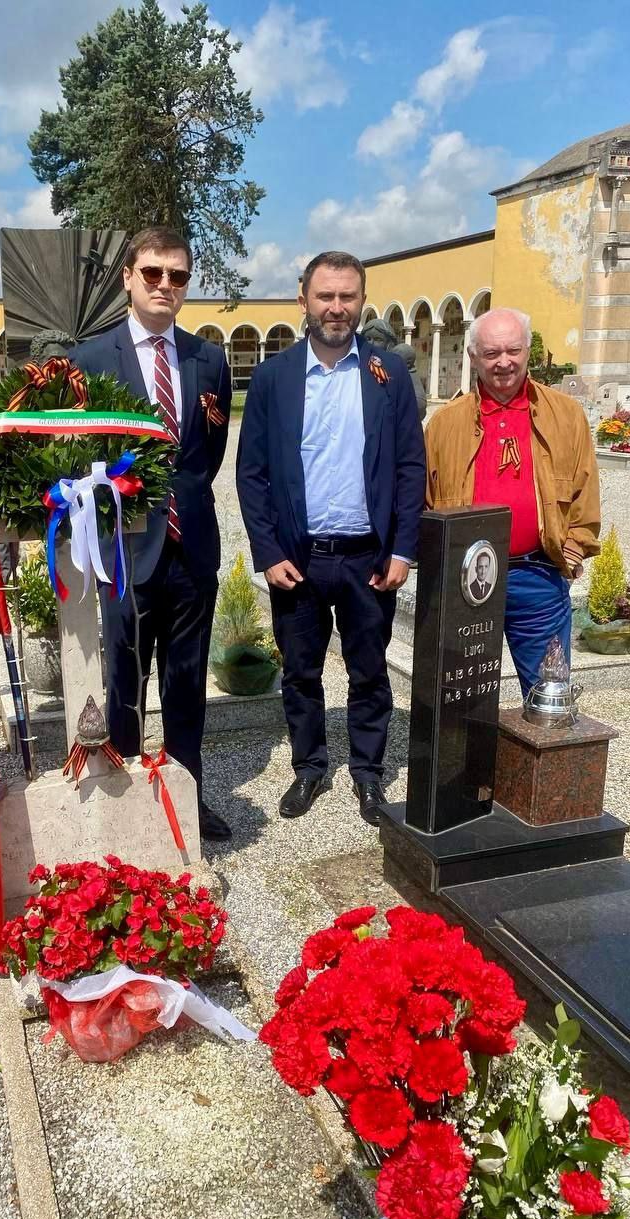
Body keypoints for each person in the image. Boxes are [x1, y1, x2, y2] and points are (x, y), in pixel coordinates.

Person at [237, 251, 426, 826]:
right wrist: (268, 552)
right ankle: (310, 767)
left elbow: (410, 467)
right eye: (326, 296)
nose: (336, 307)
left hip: (368, 558)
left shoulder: (388, 375)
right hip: (300, 559)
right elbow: (252, 474)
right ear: (304, 299)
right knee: (301, 672)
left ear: (361, 300)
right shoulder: (274, 377)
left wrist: (402, 548)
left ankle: (368, 772)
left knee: (370, 671)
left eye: (347, 296)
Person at [72, 227, 232, 842]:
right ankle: (127, 800)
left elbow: (207, 454)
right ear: (128, 278)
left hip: (191, 547)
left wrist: (179, 503)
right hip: (126, 550)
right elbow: (82, 454)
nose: (165, 285)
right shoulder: (92, 359)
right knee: (124, 680)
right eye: (153, 273)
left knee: (186, 683)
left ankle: (186, 798)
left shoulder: (207, 358)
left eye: (178, 275)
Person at [425, 307, 600, 695]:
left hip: (537, 574)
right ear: (473, 357)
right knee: (459, 698)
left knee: (548, 694)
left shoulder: (566, 415)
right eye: (491, 353)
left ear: (527, 351)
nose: (503, 362)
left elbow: (585, 488)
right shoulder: (444, 424)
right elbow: (424, 500)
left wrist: (574, 547)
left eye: (513, 350)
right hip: (464, 581)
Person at [392, 343, 428, 422]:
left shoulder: (416, 396)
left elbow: (419, 406)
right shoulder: (401, 373)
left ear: (407, 363)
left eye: (394, 359)